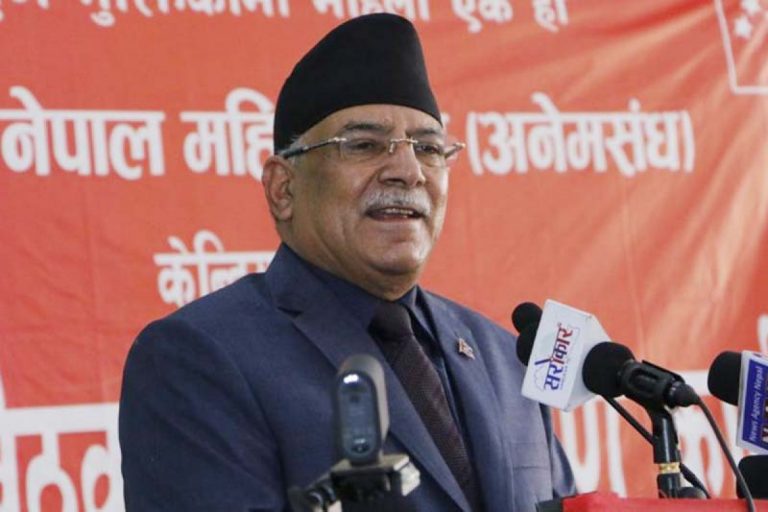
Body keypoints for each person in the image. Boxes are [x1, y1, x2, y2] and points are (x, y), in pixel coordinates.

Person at [119, 13, 576, 512]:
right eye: (364, 145)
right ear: (283, 188)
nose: (408, 172)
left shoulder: (504, 357)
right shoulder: (200, 359)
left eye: (428, 148)